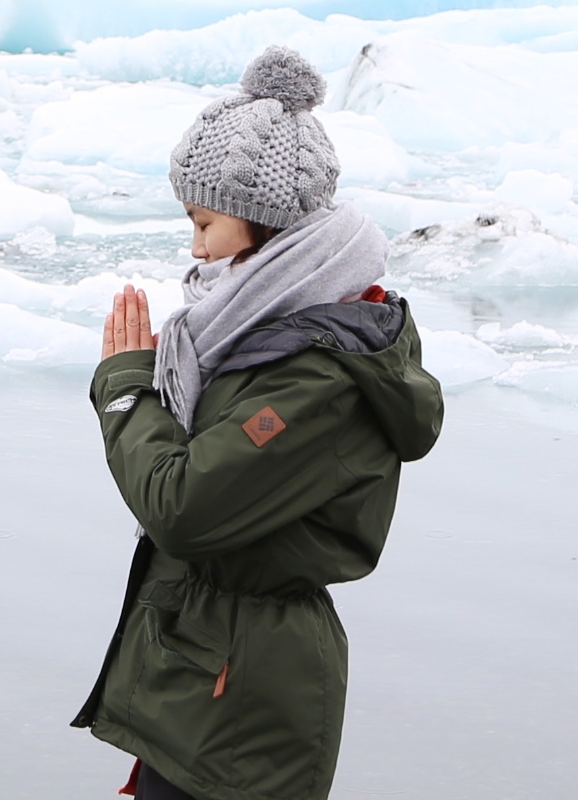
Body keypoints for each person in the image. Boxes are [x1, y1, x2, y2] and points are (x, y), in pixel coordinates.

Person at [71, 45, 444, 800]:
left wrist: (124, 394)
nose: (195, 245)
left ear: (265, 219)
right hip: (204, 668)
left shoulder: (316, 377)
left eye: (205, 221)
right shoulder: (256, 334)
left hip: (242, 695)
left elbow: (185, 507)